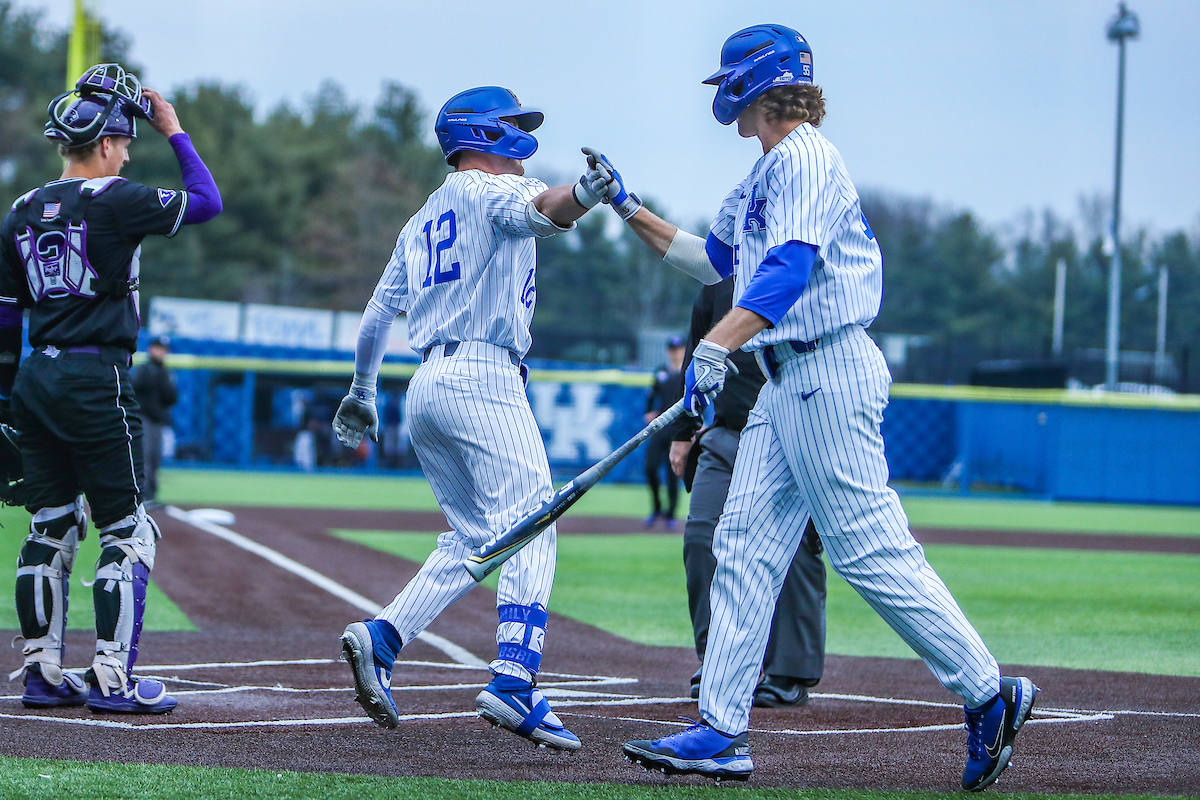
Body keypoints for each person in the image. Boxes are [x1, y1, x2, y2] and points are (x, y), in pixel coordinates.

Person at [585, 25, 1038, 790]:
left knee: (868, 551)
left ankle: (987, 692)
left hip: (826, 368)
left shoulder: (804, 157)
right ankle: (722, 731)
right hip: (782, 380)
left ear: (754, 85)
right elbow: (713, 262)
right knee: (743, 550)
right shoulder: (764, 172)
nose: (719, 94)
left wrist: (712, 348)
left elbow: (787, 273)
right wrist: (625, 204)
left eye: (727, 80)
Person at [332, 86, 608, 752]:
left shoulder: (420, 217)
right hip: (483, 374)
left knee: (470, 539)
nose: (523, 141)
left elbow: (375, 316)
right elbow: (545, 209)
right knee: (534, 522)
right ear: (485, 136)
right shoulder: (488, 193)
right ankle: (515, 682)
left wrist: (363, 390)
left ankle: (385, 635)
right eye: (514, 127)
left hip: (425, 383)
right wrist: (589, 192)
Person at [0, 64, 222, 713]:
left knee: (51, 525)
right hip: (97, 376)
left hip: (37, 379)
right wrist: (175, 132)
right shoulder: (118, 196)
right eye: (125, 144)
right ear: (103, 146)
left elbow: (7, 317)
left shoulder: (18, 212)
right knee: (127, 531)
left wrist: (5, 405)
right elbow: (206, 201)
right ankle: (112, 679)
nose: (128, 154)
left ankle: (41, 673)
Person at [670, 277, 826, 708]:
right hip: (728, 432)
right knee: (702, 537)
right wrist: (683, 433)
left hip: (795, 430)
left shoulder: (804, 271)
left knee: (795, 549)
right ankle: (716, 660)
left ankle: (789, 672)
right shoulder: (717, 284)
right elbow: (692, 359)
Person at [643, 335, 685, 529]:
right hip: (660, 426)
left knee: (672, 472)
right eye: (671, 349)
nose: (674, 353)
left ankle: (671, 514)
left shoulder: (687, 371)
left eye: (678, 349)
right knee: (650, 467)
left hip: (678, 427)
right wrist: (649, 411)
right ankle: (656, 508)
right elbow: (652, 396)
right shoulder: (661, 371)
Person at [131, 336, 177, 506]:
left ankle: (152, 494)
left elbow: (171, 397)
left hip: (158, 420)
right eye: (158, 348)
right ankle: (143, 495)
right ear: (151, 349)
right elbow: (136, 389)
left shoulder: (165, 372)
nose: (161, 352)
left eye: (164, 349)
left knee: (155, 458)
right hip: (144, 418)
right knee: (145, 457)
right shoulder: (144, 369)